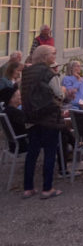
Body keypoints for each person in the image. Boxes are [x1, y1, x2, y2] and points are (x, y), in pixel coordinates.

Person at [21, 45, 64, 199]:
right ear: (45, 56)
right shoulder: (49, 73)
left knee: (32, 153)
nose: (55, 56)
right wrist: (63, 94)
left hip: (31, 117)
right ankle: (47, 188)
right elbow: (59, 94)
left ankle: (28, 188)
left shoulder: (26, 73)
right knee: (50, 152)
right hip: (48, 117)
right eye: (53, 54)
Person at [0, 84, 28, 153]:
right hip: (22, 145)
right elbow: (28, 121)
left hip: (13, 145)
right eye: (18, 96)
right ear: (11, 99)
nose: (20, 97)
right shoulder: (14, 112)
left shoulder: (7, 111)